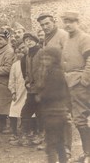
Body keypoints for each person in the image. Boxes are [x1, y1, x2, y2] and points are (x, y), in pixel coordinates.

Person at [61, 11, 90, 162]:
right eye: (65, 21)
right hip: (70, 83)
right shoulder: (67, 39)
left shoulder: (84, 38)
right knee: (77, 119)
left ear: (78, 22)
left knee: (80, 119)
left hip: (80, 84)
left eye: (71, 21)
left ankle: (88, 154)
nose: (68, 24)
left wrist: (84, 80)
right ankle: (87, 152)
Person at [36, 47, 70, 163]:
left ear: (55, 59)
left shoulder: (55, 73)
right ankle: (63, 161)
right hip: (56, 111)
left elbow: (55, 92)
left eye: (48, 58)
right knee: (59, 141)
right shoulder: (51, 71)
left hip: (54, 112)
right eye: (43, 59)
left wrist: (40, 95)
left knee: (50, 143)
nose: (44, 61)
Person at [19, 32, 42, 146]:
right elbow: (27, 72)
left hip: (42, 89)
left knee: (41, 112)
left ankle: (41, 135)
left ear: (36, 41)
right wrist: (27, 82)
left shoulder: (41, 52)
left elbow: (46, 71)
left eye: (31, 39)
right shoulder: (27, 55)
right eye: (26, 40)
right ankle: (26, 135)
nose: (29, 42)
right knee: (26, 112)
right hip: (31, 89)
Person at [0, 32, 15, 133]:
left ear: (6, 40)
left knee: (5, 106)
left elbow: (9, 68)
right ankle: (1, 124)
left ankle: (9, 126)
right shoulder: (0, 50)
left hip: (4, 83)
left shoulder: (9, 51)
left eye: (1, 39)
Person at [8, 40, 28, 143]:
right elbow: (11, 80)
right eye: (18, 50)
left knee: (29, 112)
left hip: (28, 91)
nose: (20, 52)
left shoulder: (30, 61)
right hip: (18, 91)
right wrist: (13, 92)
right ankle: (14, 132)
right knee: (13, 110)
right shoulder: (15, 65)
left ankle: (27, 132)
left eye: (22, 49)